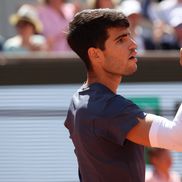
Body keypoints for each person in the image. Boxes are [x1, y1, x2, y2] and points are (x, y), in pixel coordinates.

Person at [64, 9, 182, 182]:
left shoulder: (78, 101)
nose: (133, 45)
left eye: (130, 36)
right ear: (95, 54)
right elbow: (177, 138)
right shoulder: (106, 107)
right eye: (121, 40)